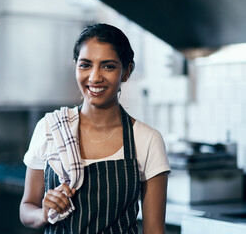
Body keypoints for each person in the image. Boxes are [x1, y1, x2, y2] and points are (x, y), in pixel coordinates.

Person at [19, 23, 170, 233]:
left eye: (108, 66)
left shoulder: (147, 140)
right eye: (85, 65)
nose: (94, 77)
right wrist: (44, 213)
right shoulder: (50, 128)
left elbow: (154, 230)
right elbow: (26, 209)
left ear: (126, 72)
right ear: (75, 66)